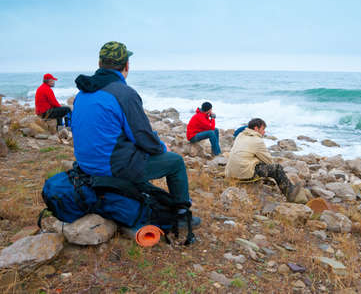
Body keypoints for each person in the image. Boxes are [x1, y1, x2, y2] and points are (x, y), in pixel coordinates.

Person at [71, 41, 199, 225]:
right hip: (110, 168)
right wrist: (162, 147)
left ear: (100, 64)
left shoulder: (83, 93)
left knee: (135, 156)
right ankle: (181, 216)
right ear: (126, 66)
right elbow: (144, 137)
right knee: (175, 162)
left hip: (85, 165)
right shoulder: (124, 94)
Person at [225, 118, 301, 202]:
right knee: (277, 168)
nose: (264, 132)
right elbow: (269, 161)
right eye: (263, 129)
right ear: (256, 129)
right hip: (244, 173)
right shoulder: (257, 140)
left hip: (230, 172)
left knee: (256, 162)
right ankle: (290, 193)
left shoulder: (240, 135)